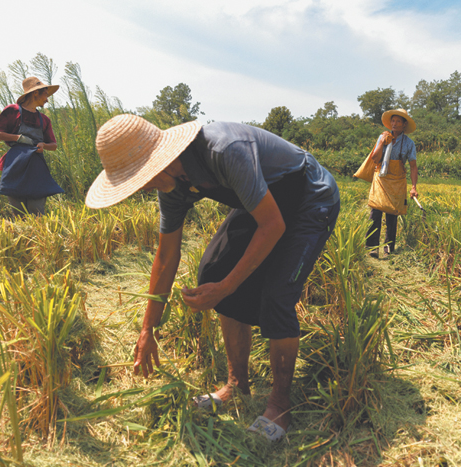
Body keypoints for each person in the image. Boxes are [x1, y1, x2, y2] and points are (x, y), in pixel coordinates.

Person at [85, 114, 340, 441]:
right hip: (263, 201)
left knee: (277, 294)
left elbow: (273, 225)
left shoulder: (224, 150)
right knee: (214, 272)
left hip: (308, 196)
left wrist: (227, 287)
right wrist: (149, 328)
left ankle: (279, 403)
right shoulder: (171, 186)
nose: (139, 188)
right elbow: (165, 258)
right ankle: (237, 385)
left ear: (156, 164)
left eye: (137, 180)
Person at [0, 77, 63, 216]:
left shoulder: (44, 119)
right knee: (18, 211)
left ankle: (40, 236)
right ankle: (22, 235)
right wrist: (17, 138)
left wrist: (44, 145)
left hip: (36, 165)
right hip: (15, 164)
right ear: (35, 93)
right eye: (45, 95)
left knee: (37, 210)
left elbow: (53, 145)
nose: (47, 99)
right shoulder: (12, 111)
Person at [365, 108, 418, 258]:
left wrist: (414, 187)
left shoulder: (409, 144)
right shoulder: (383, 137)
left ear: (404, 125)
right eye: (393, 121)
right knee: (375, 212)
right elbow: (375, 159)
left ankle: (389, 247)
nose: (394, 124)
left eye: (398, 121)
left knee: (392, 214)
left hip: (397, 181)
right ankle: (372, 247)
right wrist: (381, 142)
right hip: (381, 178)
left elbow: (413, 167)